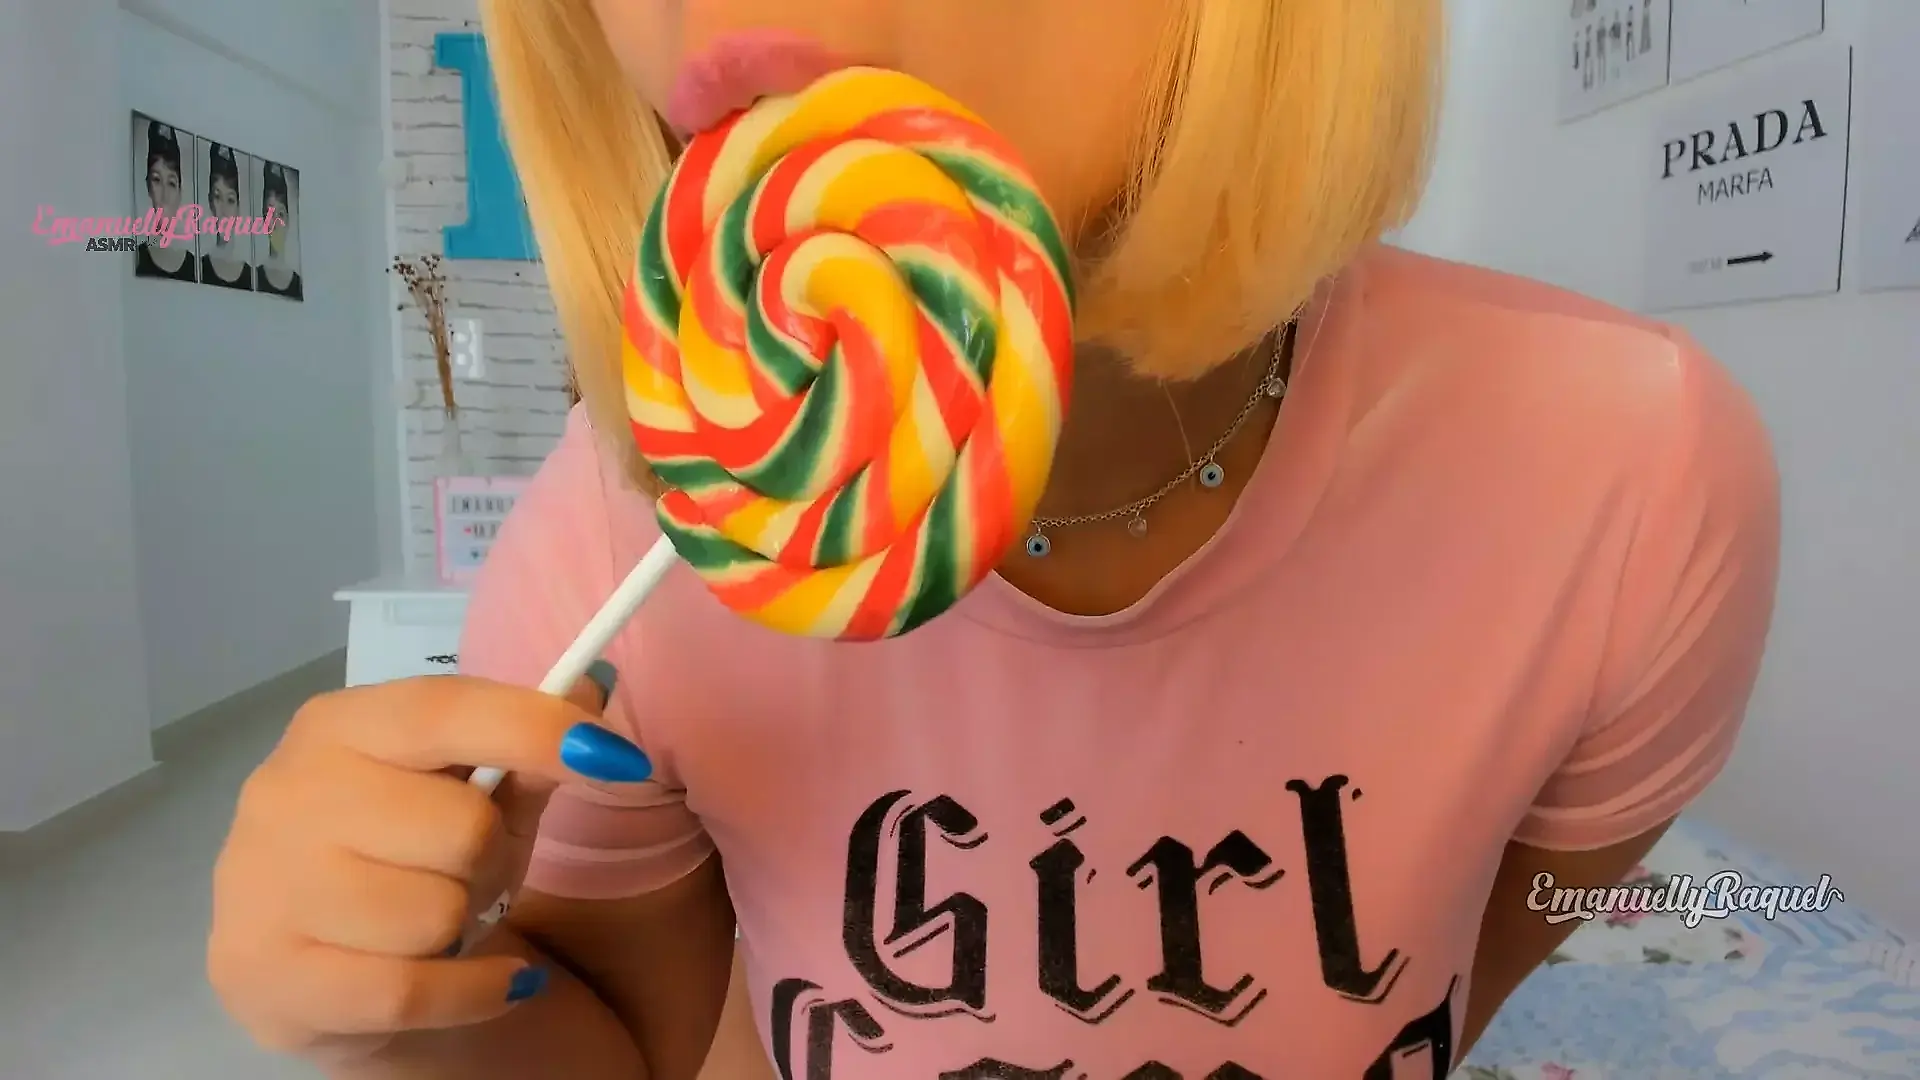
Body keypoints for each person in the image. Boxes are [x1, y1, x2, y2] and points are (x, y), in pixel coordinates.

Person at [206, 2, 1782, 1078]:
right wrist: (400, 1012)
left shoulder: (1625, 475)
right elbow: (624, 1038)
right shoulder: (633, 545)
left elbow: (1485, 954)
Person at [134, 120, 196, 283]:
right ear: (148, 186)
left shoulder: (195, 267)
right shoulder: (136, 258)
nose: (165, 195)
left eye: (171, 183)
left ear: (180, 191)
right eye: (157, 180)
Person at [200, 142, 254, 291]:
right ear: (210, 202)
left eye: (230, 200)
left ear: (238, 207)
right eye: (218, 197)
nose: (223, 211)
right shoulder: (199, 268)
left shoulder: (252, 276)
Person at [256, 160, 303, 299]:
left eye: (281, 214)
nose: (276, 222)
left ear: (288, 220)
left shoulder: (299, 283)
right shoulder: (254, 277)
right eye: (270, 215)